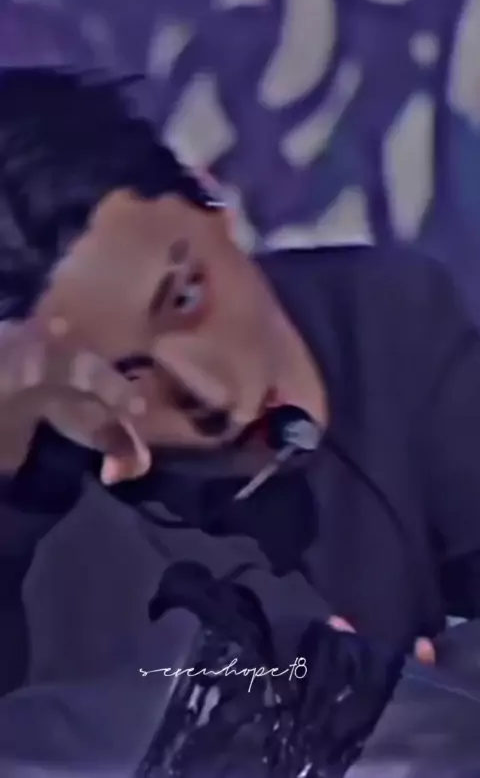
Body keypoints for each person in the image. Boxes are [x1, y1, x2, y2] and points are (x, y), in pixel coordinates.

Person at [0, 66, 479, 775]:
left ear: (211, 200)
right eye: (124, 376)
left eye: (186, 298)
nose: (212, 394)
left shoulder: (388, 315)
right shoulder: (65, 530)